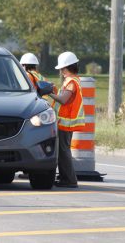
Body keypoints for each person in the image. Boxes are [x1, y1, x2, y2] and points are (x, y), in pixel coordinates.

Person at [48, 51, 85, 188]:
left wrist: (49, 93)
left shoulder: (70, 81)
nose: (61, 71)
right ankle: (65, 178)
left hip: (65, 123)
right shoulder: (74, 80)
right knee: (63, 151)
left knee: (63, 152)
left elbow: (63, 100)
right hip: (64, 122)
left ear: (68, 67)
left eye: (62, 68)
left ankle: (70, 180)